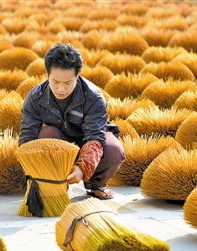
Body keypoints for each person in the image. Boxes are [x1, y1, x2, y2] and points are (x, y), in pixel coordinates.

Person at [19, 43, 125, 200]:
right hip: (59, 141)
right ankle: (55, 184)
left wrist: (82, 168)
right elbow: (27, 137)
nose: (61, 88)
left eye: (68, 83)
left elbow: (95, 138)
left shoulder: (94, 97)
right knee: (45, 134)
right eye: (55, 82)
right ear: (47, 74)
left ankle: (96, 184)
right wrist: (30, 169)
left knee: (113, 149)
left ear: (77, 77)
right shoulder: (35, 97)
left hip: (88, 140)